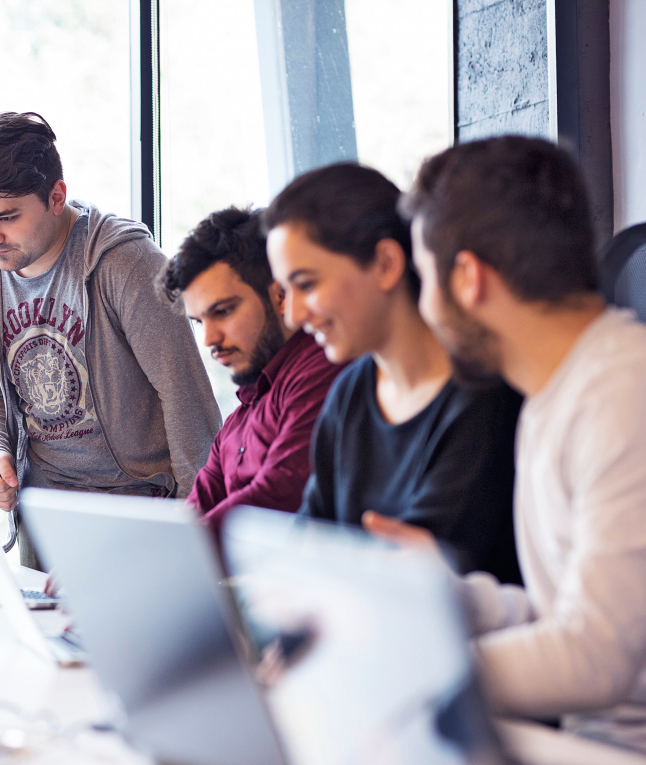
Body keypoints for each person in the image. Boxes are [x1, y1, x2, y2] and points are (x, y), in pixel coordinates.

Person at [365, 135, 646, 751]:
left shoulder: (621, 393)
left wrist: (419, 669)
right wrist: (452, 600)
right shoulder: (555, 391)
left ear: (467, 277)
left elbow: (596, 655)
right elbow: (567, 619)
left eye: (424, 278)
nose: (425, 307)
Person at [0, 111, 221, 569]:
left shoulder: (127, 264)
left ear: (57, 197)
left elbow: (185, 398)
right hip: (47, 516)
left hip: (140, 511)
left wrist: (201, 534)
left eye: (7, 217)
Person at [262, 162, 522, 585]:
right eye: (284, 292)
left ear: (385, 263)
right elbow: (309, 543)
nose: (293, 314)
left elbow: (415, 579)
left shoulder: (484, 396)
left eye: (306, 284)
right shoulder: (349, 393)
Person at [158, 206, 343, 529]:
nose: (210, 339)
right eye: (201, 322)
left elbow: (276, 498)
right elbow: (191, 518)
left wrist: (166, 556)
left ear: (281, 296)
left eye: (224, 311)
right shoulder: (238, 421)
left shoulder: (323, 370)